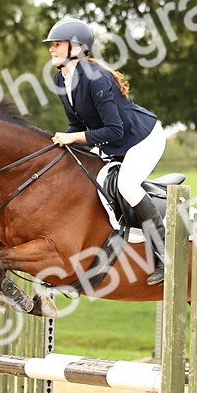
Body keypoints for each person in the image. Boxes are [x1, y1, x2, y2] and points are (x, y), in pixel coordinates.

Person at [44, 18, 168, 285]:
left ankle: (165, 255)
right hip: (113, 143)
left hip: (142, 138)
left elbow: (114, 130)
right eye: (51, 45)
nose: (51, 49)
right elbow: (77, 125)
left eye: (57, 44)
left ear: (76, 48)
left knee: (127, 186)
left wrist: (71, 137)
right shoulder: (60, 79)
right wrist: (59, 144)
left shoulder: (96, 78)